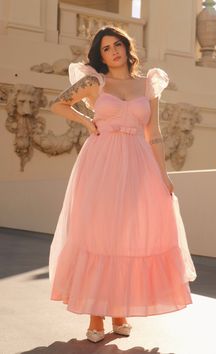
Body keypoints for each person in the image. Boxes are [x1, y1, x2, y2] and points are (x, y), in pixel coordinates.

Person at [48, 25, 197, 343]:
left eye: (117, 44)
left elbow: (153, 133)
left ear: (127, 48)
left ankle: (119, 312)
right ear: (99, 55)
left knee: (128, 236)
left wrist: (163, 174)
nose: (113, 51)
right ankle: (95, 316)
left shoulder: (149, 84)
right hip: (101, 164)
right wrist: (88, 121)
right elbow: (57, 105)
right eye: (105, 48)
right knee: (98, 234)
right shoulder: (94, 81)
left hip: (139, 165)